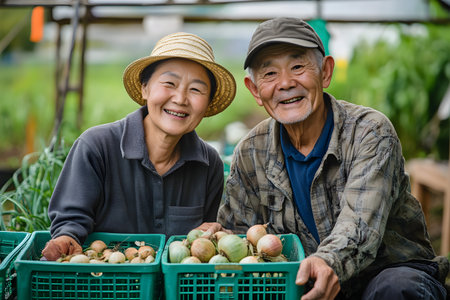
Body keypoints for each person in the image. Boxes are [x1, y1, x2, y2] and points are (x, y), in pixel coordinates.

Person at [217, 17, 449, 299]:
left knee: (396, 288)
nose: (286, 83)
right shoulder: (250, 151)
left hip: (383, 275)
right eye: (269, 74)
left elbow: (360, 227)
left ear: (325, 72)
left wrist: (326, 262)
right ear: (255, 90)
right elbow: (240, 238)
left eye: (298, 67)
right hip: (306, 284)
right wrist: (216, 237)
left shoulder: (369, 132)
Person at [42, 32, 236, 261]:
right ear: (145, 88)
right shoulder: (96, 146)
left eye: (196, 89)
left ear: (208, 102)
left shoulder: (208, 163)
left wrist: (212, 235)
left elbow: (199, 244)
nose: (181, 98)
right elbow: (70, 222)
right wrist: (67, 238)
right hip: (103, 280)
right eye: (169, 83)